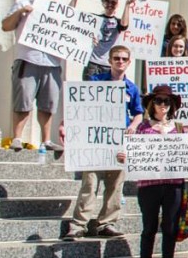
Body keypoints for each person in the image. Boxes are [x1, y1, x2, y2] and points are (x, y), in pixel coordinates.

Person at [61, 45, 143, 240]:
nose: (120, 62)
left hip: (119, 140)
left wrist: (133, 125)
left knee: (116, 183)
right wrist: (65, 124)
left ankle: (106, 223)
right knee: (90, 182)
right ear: (110, 61)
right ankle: (79, 224)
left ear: (129, 62)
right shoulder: (96, 81)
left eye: (124, 59)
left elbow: (139, 112)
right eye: (116, 58)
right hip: (94, 140)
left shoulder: (132, 87)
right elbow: (78, 106)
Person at [119, 85, 188, 258]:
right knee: (149, 226)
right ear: (152, 104)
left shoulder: (181, 129)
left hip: (173, 185)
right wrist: (125, 157)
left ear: (172, 106)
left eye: (167, 101)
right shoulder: (141, 128)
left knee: (170, 227)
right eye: (160, 101)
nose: (163, 105)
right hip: (149, 184)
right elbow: (132, 155)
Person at [1, 0, 66, 152]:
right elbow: (5, 26)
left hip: (52, 65)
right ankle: (17, 138)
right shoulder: (24, 5)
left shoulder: (61, 12)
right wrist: (21, 11)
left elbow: (73, 34)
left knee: (48, 104)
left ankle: (45, 140)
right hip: (28, 61)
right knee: (23, 101)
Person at [72, 0, 135, 80]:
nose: (110, 4)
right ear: (102, 3)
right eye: (107, 1)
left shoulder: (118, 22)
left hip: (108, 65)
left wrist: (127, 5)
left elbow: (124, 25)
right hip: (92, 63)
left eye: (113, 2)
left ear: (117, 4)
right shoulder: (93, 18)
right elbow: (71, 13)